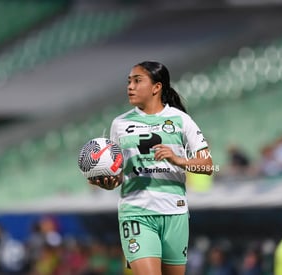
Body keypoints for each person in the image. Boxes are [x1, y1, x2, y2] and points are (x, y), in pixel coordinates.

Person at [89, 61, 213, 275]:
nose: (130, 86)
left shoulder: (181, 120)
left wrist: (178, 160)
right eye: (129, 81)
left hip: (174, 212)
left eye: (138, 81)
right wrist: (109, 181)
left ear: (157, 87)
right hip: (136, 212)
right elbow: (118, 172)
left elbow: (208, 165)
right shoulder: (120, 124)